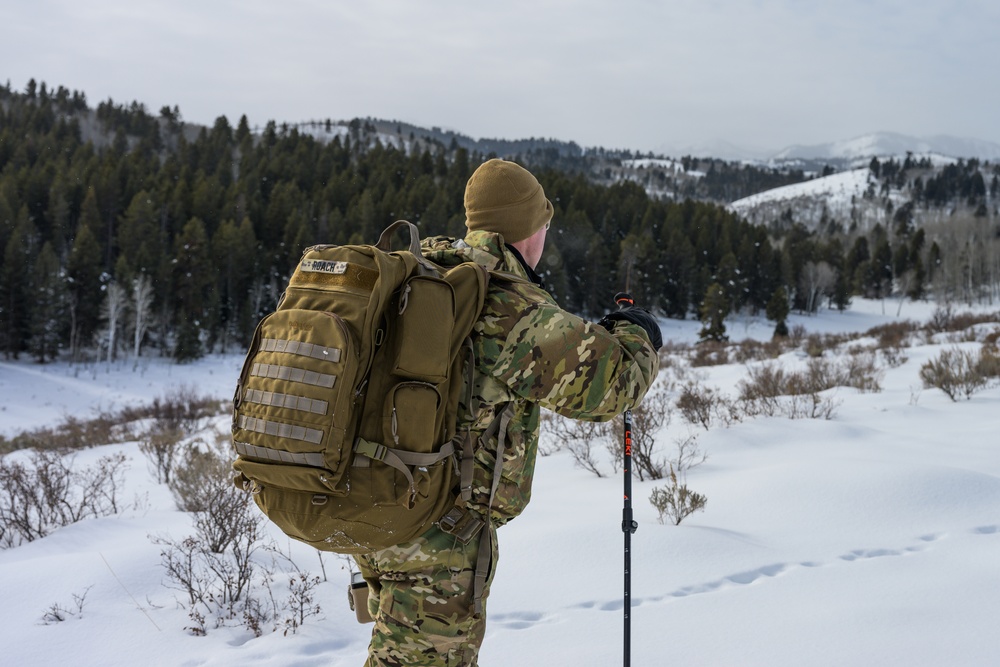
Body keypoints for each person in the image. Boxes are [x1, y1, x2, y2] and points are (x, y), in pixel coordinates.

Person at [353, 158, 662, 666]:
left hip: (379, 503)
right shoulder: (503, 303)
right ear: (527, 230)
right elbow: (613, 386)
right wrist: (637, 332)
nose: (545, 235)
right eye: (544, 224)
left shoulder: (429, 270)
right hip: (437, 535)